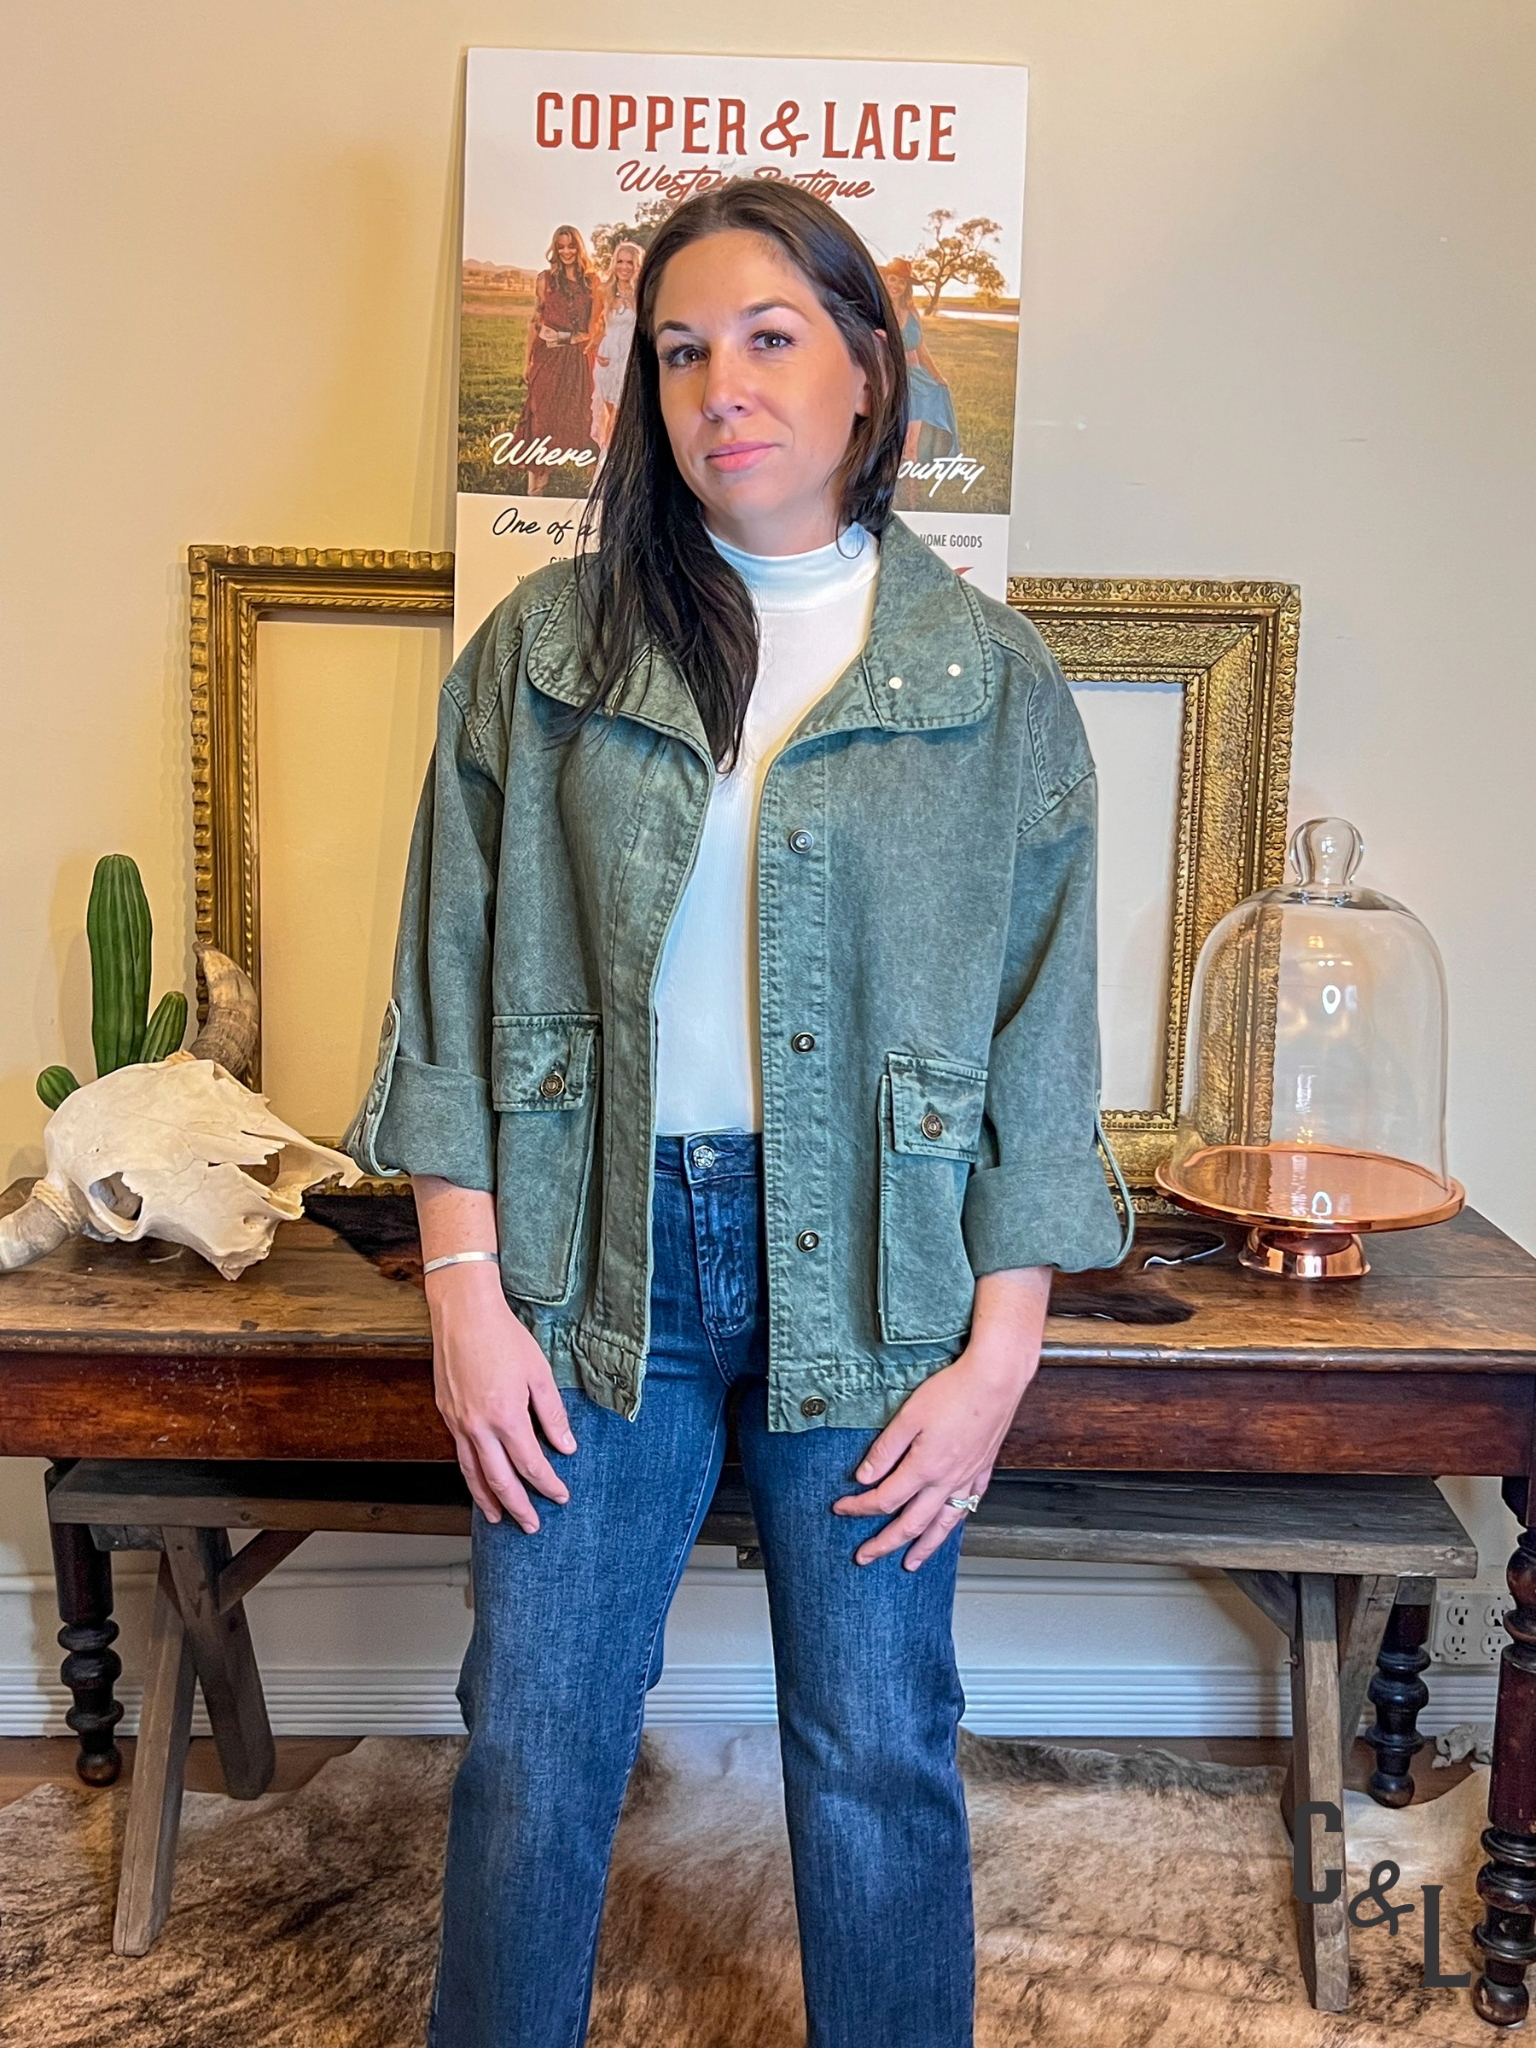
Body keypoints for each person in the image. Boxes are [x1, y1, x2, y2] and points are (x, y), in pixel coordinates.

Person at [343, 176, 1130, 2048]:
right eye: (682, 349)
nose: (723, 386)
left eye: (772, 336)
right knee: (535, 1735)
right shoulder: (539, 658)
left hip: (875, 1269)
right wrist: (464, 1292)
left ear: (872, 371)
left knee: (876, 1740)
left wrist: (996, 1357)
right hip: (582, 1254)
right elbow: (446, 986)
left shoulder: (987, 686)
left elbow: (1041, 1048)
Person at [512, 223, 597, 495]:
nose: (566, 251)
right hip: (547, 357)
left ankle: (594, 488)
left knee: (580, 417)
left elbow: (595, 329)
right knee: (541, 417)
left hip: (577, 359)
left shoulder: (591, 282)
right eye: (561, 247)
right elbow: (536, 321)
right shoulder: (544, 280)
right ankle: (536, 488)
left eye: (571, 246)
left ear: (579, 247)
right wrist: (528, 360)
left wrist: (567, 339)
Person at [883, 256, 960, 510]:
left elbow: (920, 348)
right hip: (891, 381)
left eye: (901, 281)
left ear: (907, 286)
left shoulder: (912, 312)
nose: (895, 285)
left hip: (917, 384)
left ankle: (911, 503)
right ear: (885, 279)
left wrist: (938, 377)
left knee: (911, 447)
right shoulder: (879, 311)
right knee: (890, 443)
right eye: (892, 279)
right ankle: (886, 497)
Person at [587, 237, 643, 453]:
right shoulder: (604, 291)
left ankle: (611, 461)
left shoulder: (642, 292)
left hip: (631, 359)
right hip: (608, 359)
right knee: (612, 416)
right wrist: (597, 345)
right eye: (620, 261)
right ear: (614, 264)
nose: (624, 267)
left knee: (623, 415)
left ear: (637, 265)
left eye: (630, 262)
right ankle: (609, 460)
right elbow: (595, 323)